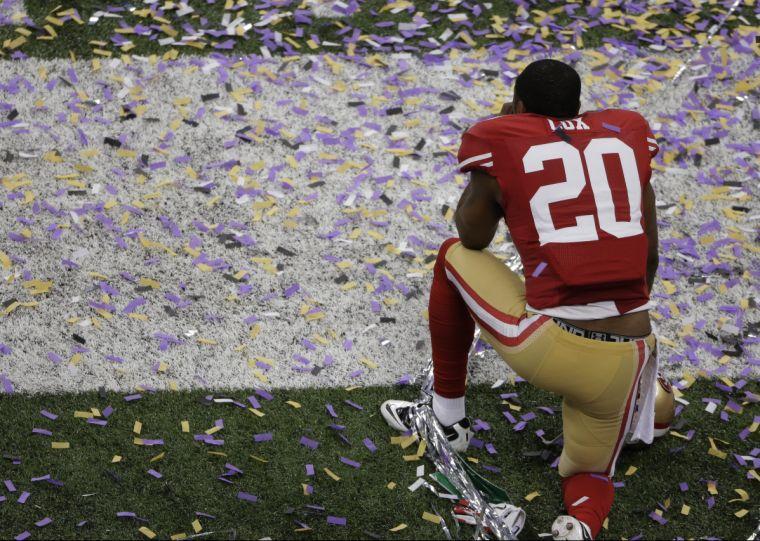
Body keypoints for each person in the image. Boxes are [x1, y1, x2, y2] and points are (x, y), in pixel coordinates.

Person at [381, 59, 667, 540]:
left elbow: (470, 236)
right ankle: (581, 525)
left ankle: (448, 416)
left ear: (518, 105)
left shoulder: (502, 139)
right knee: (592, 467)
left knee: (451, 258)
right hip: (628, 353)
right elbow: (649, 261)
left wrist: (499, 150)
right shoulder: (628, 138)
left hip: (546, 344)